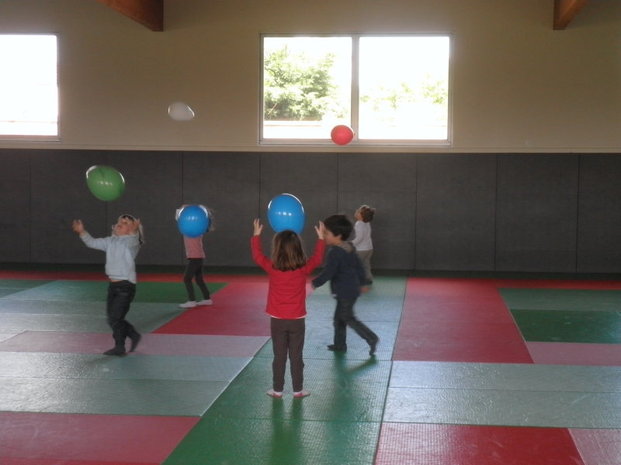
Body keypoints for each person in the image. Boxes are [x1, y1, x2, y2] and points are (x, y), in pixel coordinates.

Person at [251, 218, 325, 399]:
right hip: (297, 320)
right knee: (296, 356)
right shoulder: (303, 269)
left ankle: (277, 390)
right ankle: (298, 390)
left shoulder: (272, 267)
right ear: (299, 249)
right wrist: (321, 239)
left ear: (277, 249)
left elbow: (257, 256)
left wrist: (256, 236)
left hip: (277, 319)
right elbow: (318, 258)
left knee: (279, 356)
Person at [72, 214, 144, 356]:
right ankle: (132, 335)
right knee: (113, 319)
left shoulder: (130, 244)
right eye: (119, 221)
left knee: (115, 318)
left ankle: (120, 347)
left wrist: (135, 232)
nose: (120, 224)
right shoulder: (110, 241)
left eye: (125, 223)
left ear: (130, 229)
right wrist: (82, 232)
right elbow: (92, 242)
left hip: (125, 286)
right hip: (113, 286)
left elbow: (133, 240)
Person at [312, 214, 379, 356]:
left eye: (326, 233)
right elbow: (359, 266)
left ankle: (371, 338)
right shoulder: (349, 248)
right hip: (350, 290)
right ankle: (340, 344)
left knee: (348, 318)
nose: (324, 236)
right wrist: (363, 282)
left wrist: (315, 283)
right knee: (339, 319)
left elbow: (328, 272)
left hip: (345, 292)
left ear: (338, 236)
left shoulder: (335, 252)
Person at [178, 206, 213, 309]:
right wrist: (184, 208)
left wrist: (207, 214)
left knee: (187, 278)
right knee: (199, 279)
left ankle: (192, 300)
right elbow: (178, 216)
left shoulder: (197, 229)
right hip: (198, 257)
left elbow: (207, 223)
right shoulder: (190, 228)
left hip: (195, 258)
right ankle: (207, 299)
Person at [352, 204, 375, 285]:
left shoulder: (358, 224)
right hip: (369, 249)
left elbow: (359, 238)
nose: (356, 211)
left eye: (358, 211)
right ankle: (368, 278)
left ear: (361, 216)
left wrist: (351, 243)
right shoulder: (367, 223)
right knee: (366, 264)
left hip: (361, 250)